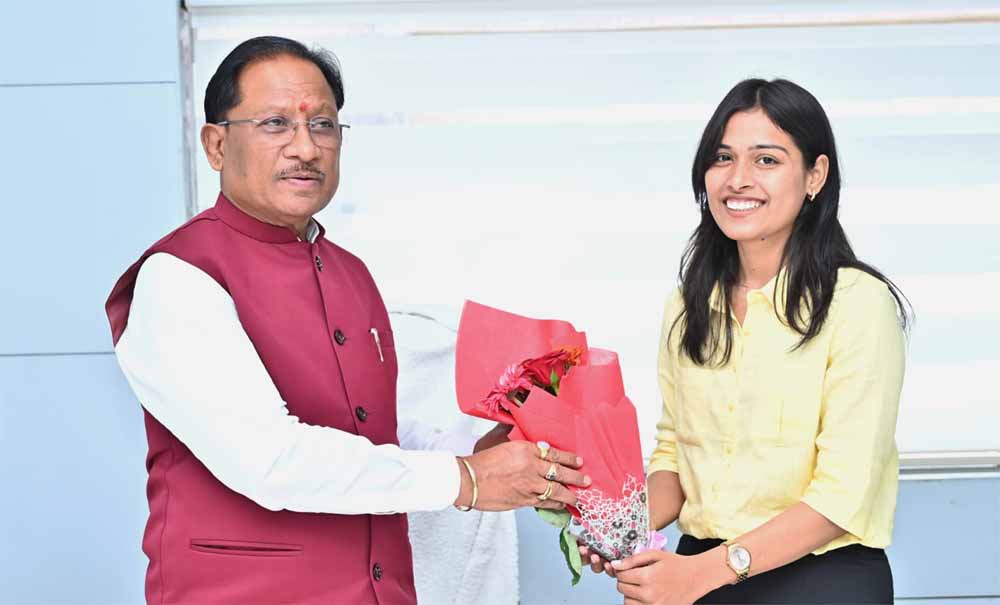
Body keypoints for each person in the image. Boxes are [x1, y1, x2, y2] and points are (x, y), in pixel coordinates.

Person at [105, 36, 590, 605]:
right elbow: (270, 459)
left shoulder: (351, 274)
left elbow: (370, 431)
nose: (305, 148)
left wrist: (486, 448)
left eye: (323, 126)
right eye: (275, 124)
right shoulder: (179, 276)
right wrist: (467, 479)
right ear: (216, 144)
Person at [582, 78, 909, 604]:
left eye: (766, 160)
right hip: (695, 571)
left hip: (821, 580)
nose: (738, 179)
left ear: (815, 175)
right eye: (723, 158)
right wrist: (618, 525)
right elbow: (675, 454)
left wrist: (703, 574)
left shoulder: (856, 303)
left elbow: (842, 496)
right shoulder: (688, 304)